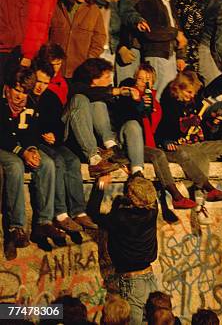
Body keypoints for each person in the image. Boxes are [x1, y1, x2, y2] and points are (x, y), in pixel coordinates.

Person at [156, 71, 222, 200]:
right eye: (188, 92)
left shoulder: (193, 101)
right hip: (180, 145)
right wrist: (167, 141)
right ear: (178, 88)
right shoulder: (170, 103)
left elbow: (203, 124)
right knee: (200, 157)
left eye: (193, 93)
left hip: (197, 143)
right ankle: (200, 200)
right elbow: (164, 130)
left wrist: (212, 122)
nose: (191, 96)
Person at [114, 63, 197, 222]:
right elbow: (127, 118)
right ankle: (175, 196)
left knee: (177, 153)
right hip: (131, 143)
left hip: (149, 144)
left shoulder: (156, 104)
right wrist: (138, 103)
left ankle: (194, 192)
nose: (143, 82)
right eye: (140, 79)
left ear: (152, 82)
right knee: (157, 155)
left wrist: (168, 140)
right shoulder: (127, 95)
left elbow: (159, 131)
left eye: (148, 80)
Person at [1, 63, 66, 260]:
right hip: (4, 148)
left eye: (24, 92)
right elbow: (2, 135)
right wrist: (22, 152)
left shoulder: (29, 105)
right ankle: (15, 227)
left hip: (20, 148)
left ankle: (43, 222)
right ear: (7, 88)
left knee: (46, 163)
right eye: (17, 90)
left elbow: (30, 132)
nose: (20, 96)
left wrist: (31, 149)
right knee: (15, 165)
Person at [31, 48, 98, 234]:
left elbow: (58, 122)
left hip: (54, 142)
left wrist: (56, 136)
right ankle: (61, 214)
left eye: (44, 82)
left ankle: (79, 211)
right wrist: (43, 135)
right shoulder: (29, 95)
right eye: (38, 81)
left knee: (73, 161)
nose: (40, 86)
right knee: (58, 162)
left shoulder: (51, 95)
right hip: (37, 142)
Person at [87, 175, 159, 325]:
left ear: (133, 198)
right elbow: (143, 193)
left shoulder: (121, 218)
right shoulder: (153, 211)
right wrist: (134, 176)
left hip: (132, 282)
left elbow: (93, 213)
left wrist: (100, 186)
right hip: (150, 278)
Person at [136, 0, 187, 99]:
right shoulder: (149, 1)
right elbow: (150, 31)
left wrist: (181, 55)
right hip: (157, 55)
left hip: (170, 55)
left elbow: (177, 26)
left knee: (168, 95)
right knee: (156, 95)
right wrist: (175, 34)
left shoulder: (168, 1)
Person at [49, 0, 106, 78]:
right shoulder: (57, 5)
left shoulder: (93, 10)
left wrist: (90, 58)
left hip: (80, 70)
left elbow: (99, 38)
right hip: (55, 68)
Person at [116, 0, 150, 84]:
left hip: (141, 50)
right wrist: (121, 46)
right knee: (127, 86)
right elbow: (113, 23)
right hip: (127, 50)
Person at [0, 0, 30, 87]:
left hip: (15, 49)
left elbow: (24, 20)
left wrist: (25, 49)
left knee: (10, 90)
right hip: (1, 47)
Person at [173, 0, 206, 71]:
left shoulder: (177, 3)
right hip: (189, 53)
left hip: (182, 51)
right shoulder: (192, 4)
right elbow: (193, 29)